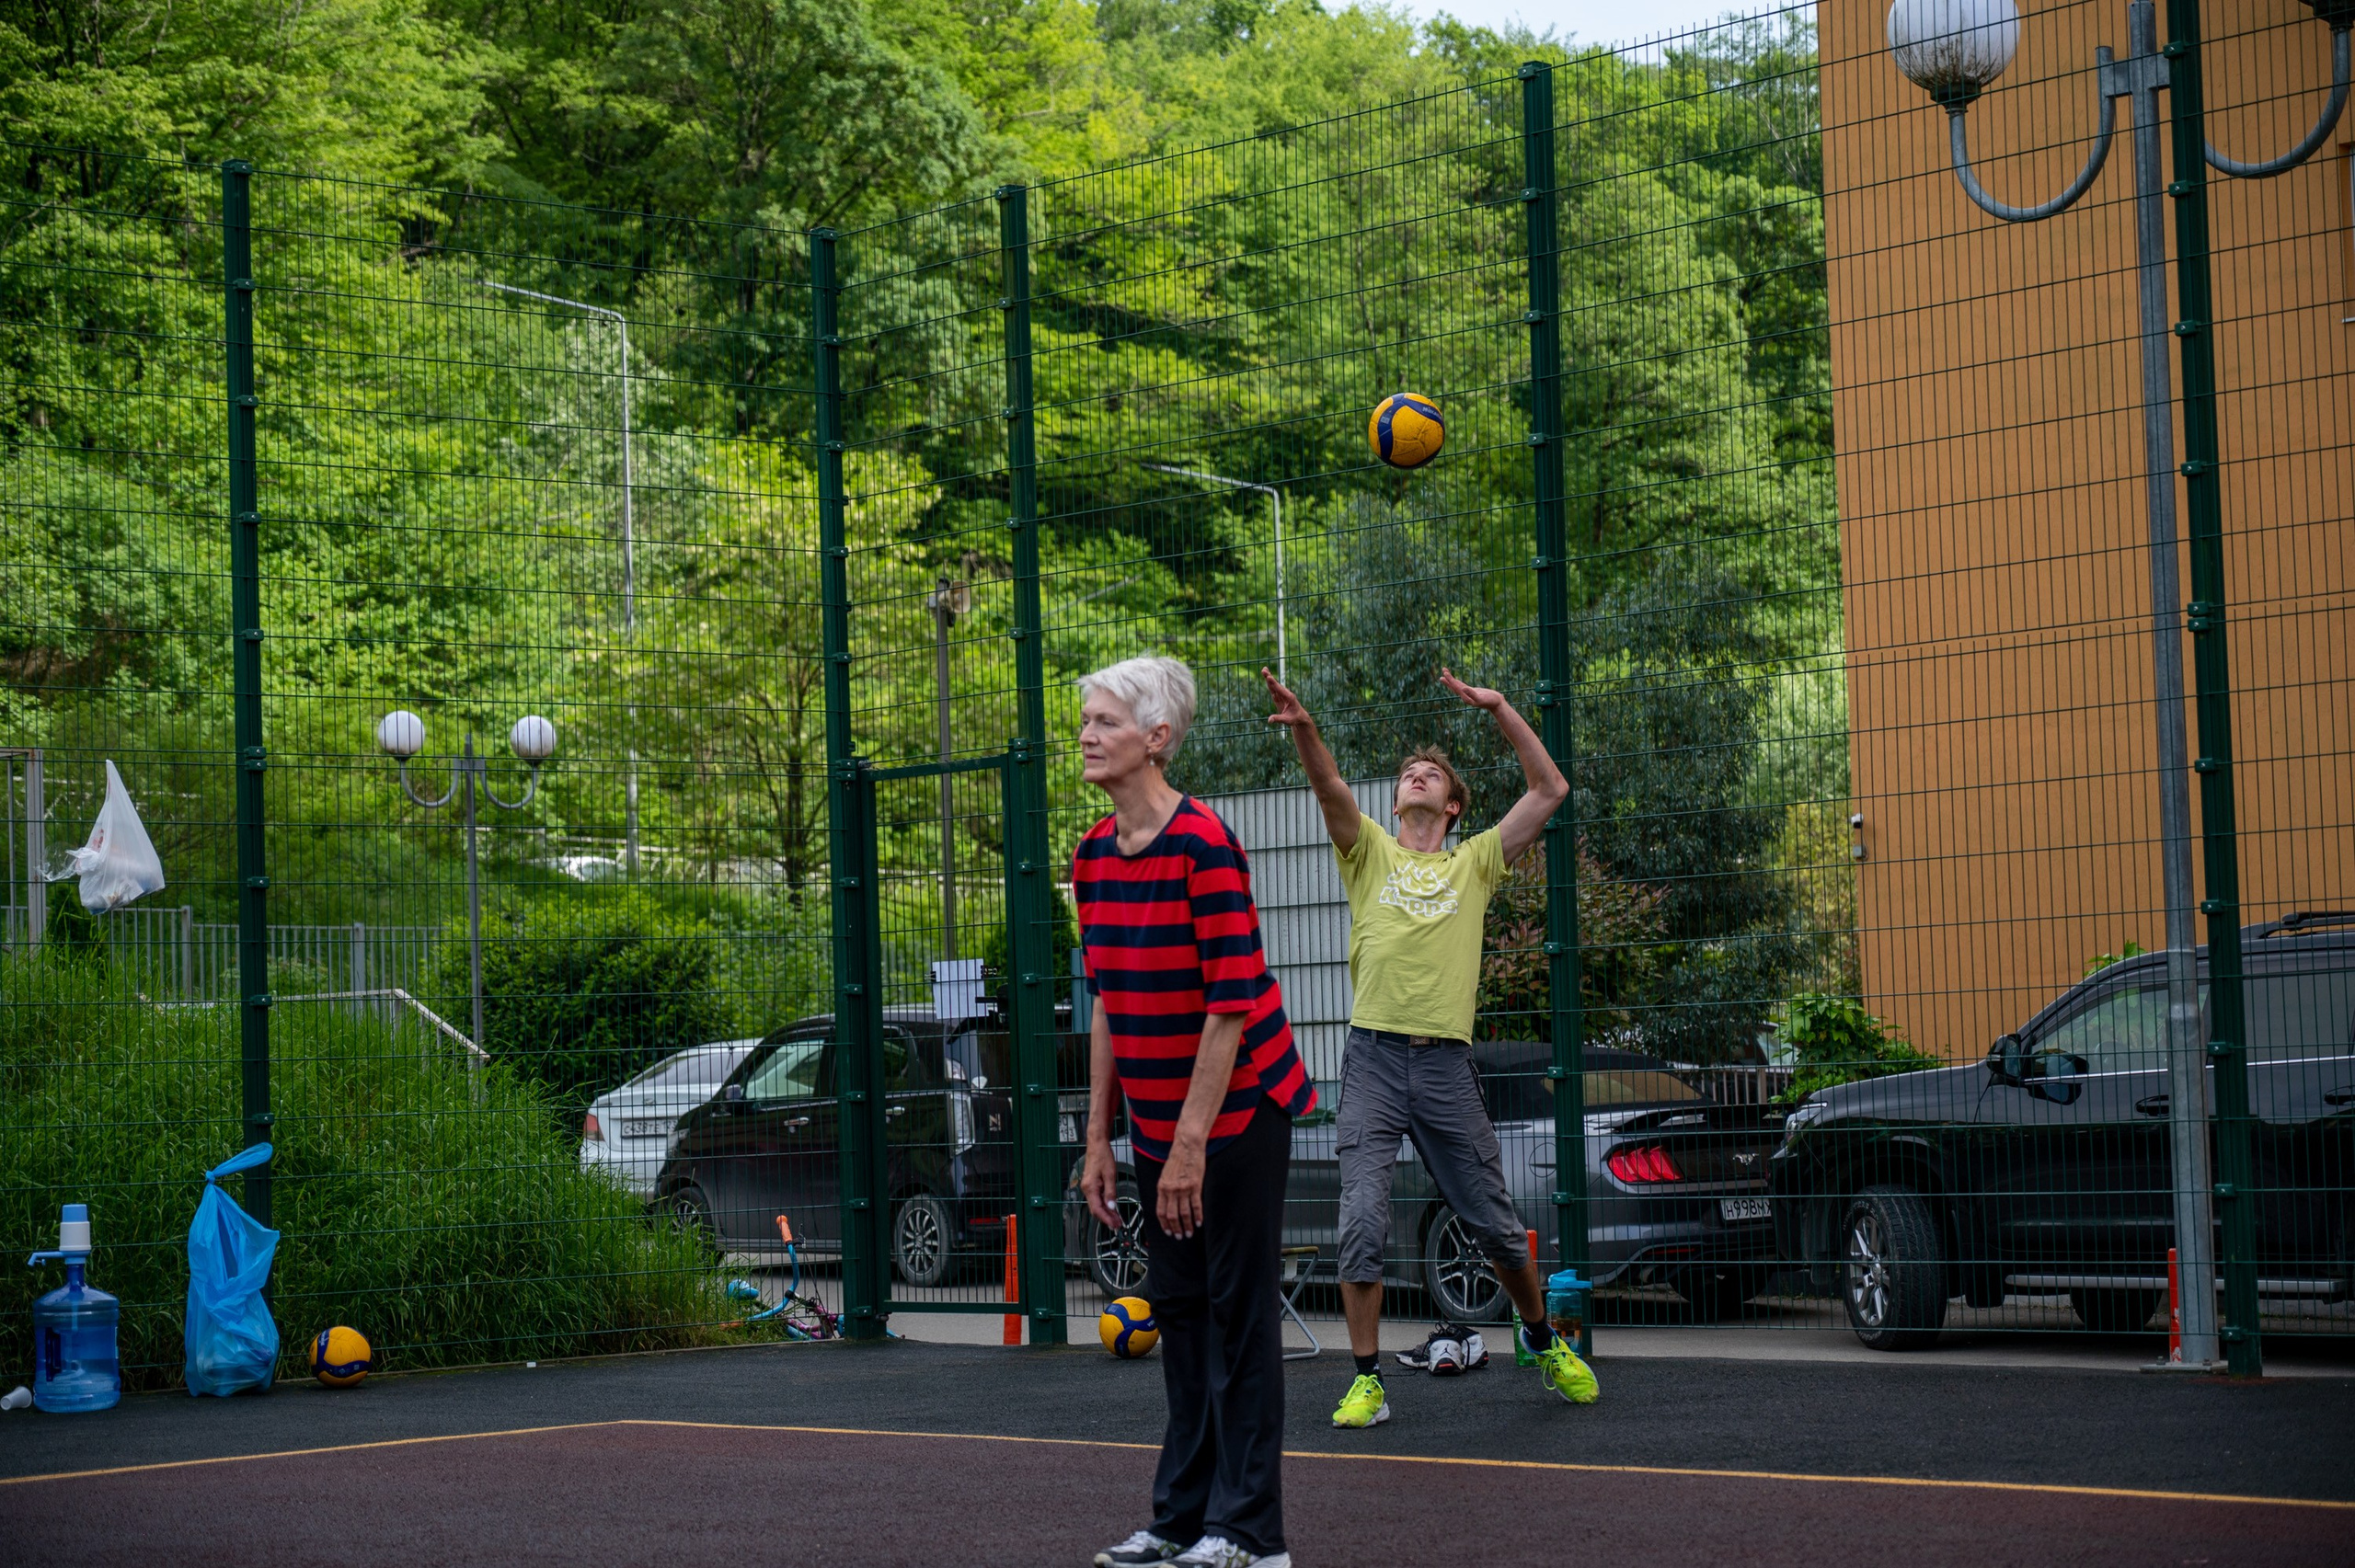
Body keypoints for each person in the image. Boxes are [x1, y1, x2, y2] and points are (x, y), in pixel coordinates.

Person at [1260, 662, 1598, 1428]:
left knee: (1497, 1225)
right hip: (1373, 1059)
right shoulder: (1368, 851)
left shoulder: (1474, 861)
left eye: (1431, 774)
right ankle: (1369, 1379)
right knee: (1361, 1218)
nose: (1417, 776)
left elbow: (1550, 791)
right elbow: (1328, 788)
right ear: (1397, 800)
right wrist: (1306, 728)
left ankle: (1541, 1340)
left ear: (1452, 804)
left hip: (1444, 1063)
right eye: (1409, 772)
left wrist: (1502, 706)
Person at [1075, 656, 1315, 1568]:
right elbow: (1105, 999)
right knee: (1176, 1309)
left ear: (1157, 738)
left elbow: (1229, 1006)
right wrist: (1102, 1137)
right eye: (1087, 720)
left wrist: (1187, 1149)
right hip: (1159, 1123)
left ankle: (1252, 1534)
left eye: (1105, 720)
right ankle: (1180, 1518)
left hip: (1240, 1111)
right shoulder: (1093, 855)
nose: (1088, 734)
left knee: (1236, 1312)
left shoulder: (1204, 843)